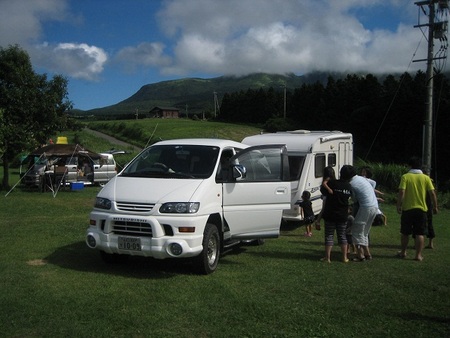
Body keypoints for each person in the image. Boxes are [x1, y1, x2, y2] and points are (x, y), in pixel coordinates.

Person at [397, 157, 438, 261]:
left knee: (405, 232)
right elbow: (432, 193)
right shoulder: (426, 178)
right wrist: (435, 206)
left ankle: (403, 252)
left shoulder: (405, 177)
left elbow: (402, 192)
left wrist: (398, 205)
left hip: (407, 208)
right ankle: (418, 255)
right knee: (420, 233)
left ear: (410, 165)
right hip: (422, 209)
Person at [340, 165, 378, 262]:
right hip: (374, 206)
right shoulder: (361, 178)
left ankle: (360, 255)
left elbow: (355, 199)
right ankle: (367, 253)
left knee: (357, 231)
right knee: (364, 231)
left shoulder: (352, 184)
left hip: (365, 207)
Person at [315, 167, 352, 263]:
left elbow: (323, 191)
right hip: (342, 215)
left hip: (330, 214)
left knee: (329, 235)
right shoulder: (348, 186)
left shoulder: (332, 183)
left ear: (340, 173)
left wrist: (325, 182)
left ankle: (327, 258)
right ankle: (344, 257)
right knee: (342, 236)